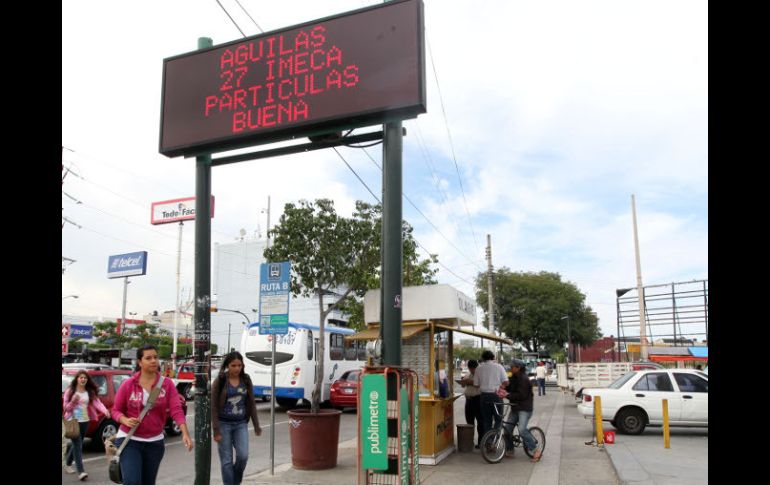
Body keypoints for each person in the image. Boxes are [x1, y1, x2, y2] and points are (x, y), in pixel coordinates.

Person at [112, 345, 193, 485]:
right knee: (132, 482)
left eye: (155, 357)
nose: (153, 361)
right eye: (148, 358)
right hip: (130, 440)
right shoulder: (129, 384)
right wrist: (124, 420)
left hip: (155, 443)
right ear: (139, 362)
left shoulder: (166, 384)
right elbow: (115, 411)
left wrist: (185, 433)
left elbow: (176, 409)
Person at [212, 351, 262, 485]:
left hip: (240, 424)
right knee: (227, 461)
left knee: (243, 456)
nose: (237, 368)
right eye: (233, 365)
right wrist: (216, 430)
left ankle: (234, 481)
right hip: (223, 424)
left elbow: (251, 402)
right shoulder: (221, 380)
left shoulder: (246, 379)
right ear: (228, 365)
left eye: (239, 365)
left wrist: (256, 425)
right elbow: (214, 406)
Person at [63, 370, 110, 480]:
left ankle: (68, 463)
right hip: (73, 421)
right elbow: (66, 408)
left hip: (85, 420)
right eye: (81, 377)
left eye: (85, 378)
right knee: (78, 445)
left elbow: (97, 403)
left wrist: (105, 411)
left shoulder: (89, 391)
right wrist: (73, 401)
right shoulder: (70, 391)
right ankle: (81, 471)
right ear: (77, 379)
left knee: (76, 444)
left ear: (87, 380)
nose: (83, 379)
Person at [504, 359, 542, 461]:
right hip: (515, 407)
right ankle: (510, 450)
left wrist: (508, 395)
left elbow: (521, 395)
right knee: (507, 429)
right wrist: (503, 388)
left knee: (521, 429)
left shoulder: (524, 379)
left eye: (512, 367)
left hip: (524, 408)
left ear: (518, 368)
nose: (511, 368)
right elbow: (509, 388)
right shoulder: (513, 377)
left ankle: (535, 450)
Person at [473, 350, 509, 443]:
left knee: (486, 420)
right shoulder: (499, 367)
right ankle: (495, 441)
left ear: (483, 358)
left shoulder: (479, 368)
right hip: (496, 395)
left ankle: (488, 442)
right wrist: (501, 386)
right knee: (498, 419)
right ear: (493, 357)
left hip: (484, 397)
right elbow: (506, 381)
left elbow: (476, 385)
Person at [459, 359, 481, 447]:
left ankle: (481, 442)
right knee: (469, 422)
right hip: (469, 400)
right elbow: (463, 385)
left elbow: (480, 384)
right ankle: (470, 441)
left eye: (473, 368)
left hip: (478, 399)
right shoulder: (468, 374)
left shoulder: (480, 374)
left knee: (480, 422)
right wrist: (463, 382)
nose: (471, 370)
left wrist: (470, 382)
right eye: (470, 368)